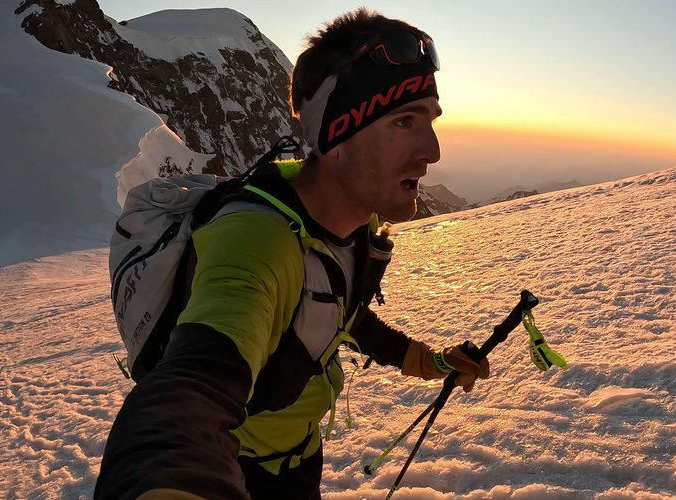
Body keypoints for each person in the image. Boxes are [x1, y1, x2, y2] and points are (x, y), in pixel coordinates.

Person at [95, 8, 490, 499]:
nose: (432, 150)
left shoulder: (345, 227)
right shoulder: (256, 242)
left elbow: (339, 313)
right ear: (336, 136)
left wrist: (427, 361)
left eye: (429, 120)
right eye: (404, 121)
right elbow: (194, 383)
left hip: (300, 460)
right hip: (245, 474)